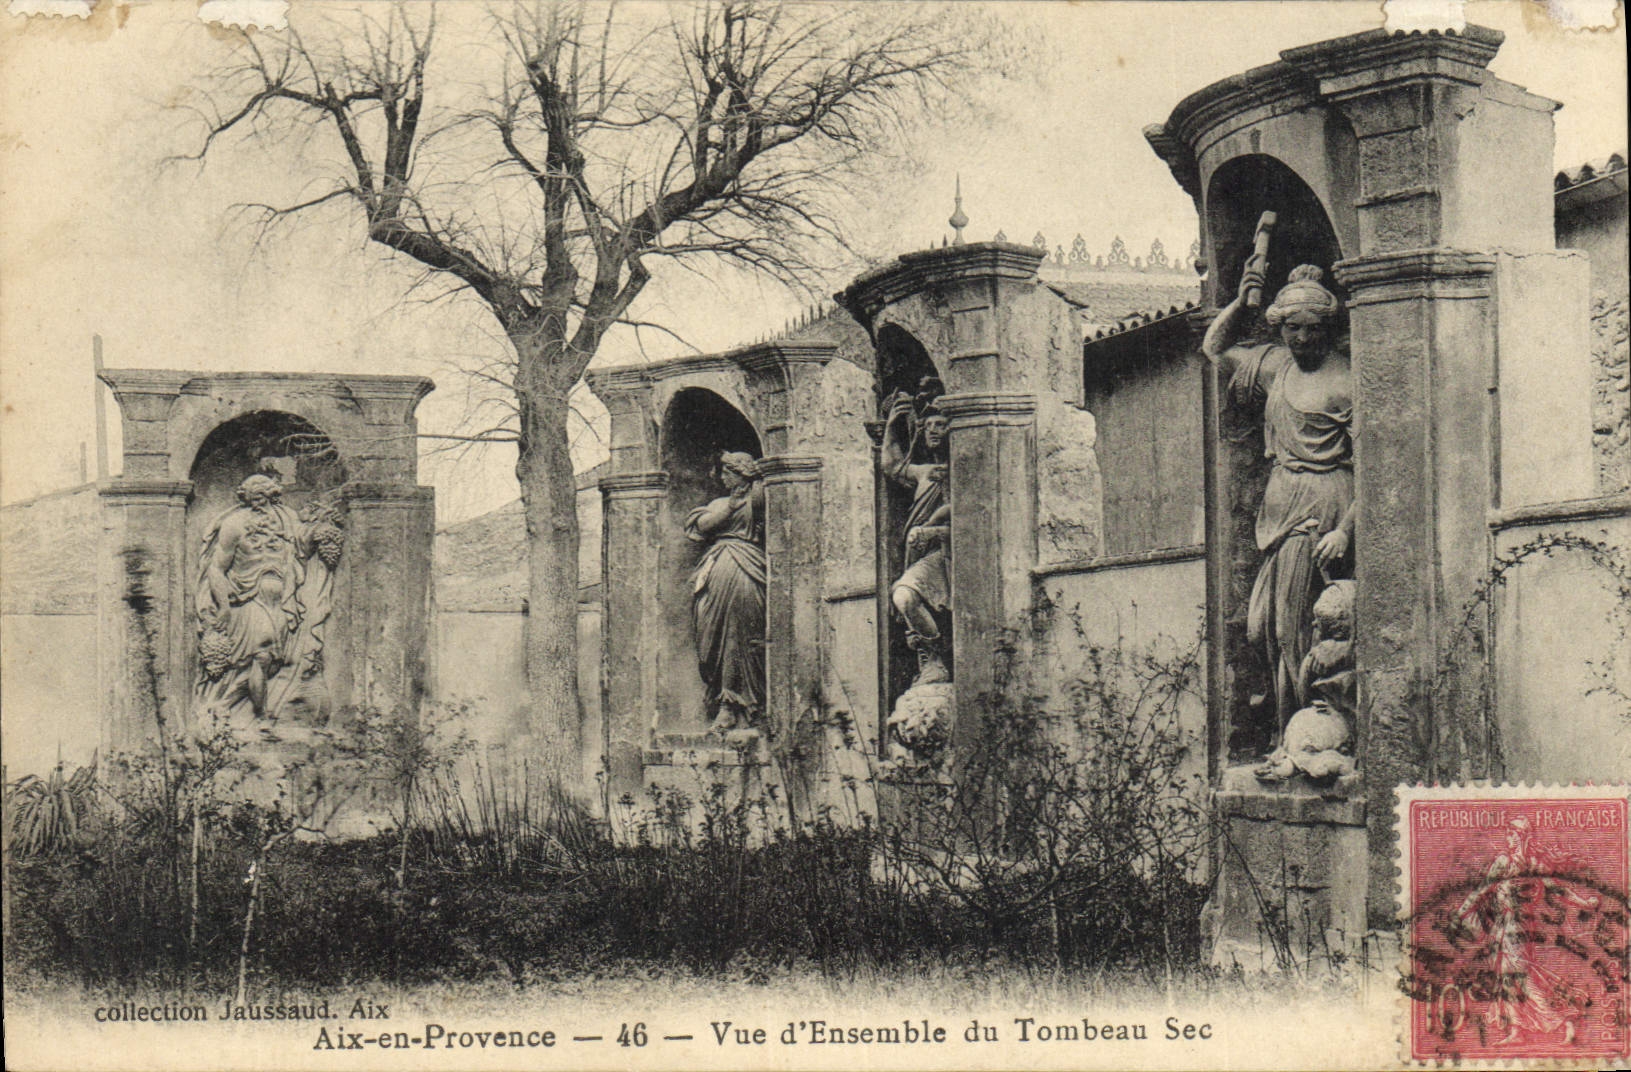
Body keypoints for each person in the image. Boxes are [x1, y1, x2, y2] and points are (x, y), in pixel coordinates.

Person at [1203, 260, 1356, 745]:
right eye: (1292, 328)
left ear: (1327, 327)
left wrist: (1345, 531)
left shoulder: (1346, 380)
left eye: (1312, 329)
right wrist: (1241, 299)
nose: (1302, 340)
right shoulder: (1274, 366)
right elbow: (1215, 349)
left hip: (1325, 503)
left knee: (1297, 628)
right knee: (1260, 627)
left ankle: (1303, 733)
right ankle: (1291, 725)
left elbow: (1372, 464)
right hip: (1280, 502)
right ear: (1279, 326)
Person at [196, 472, 341, 718]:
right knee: (261, 658)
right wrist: (223, 607)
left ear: (273, 495)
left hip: (283, 602)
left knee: (271, 662)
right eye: (253, 497)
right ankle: (262, 718)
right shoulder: (235, 524)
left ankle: (222, 706)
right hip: (249, 600)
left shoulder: (287, 519)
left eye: (263, 496)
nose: (258, 501)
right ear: (245, 498)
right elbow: (217, 569)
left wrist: (321, 524)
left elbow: (303, 550)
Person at [686, 451, 767, 735]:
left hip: (747, 568)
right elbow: (701, 525)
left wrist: (755, 486)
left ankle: (734, 704)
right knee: (712, 635)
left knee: (740, 634)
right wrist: (730, 507)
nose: (723, 478)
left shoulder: (759, 499)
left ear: (741, 474)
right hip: (718, 570)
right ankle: (722, 697)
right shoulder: (721, 503)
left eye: (728, 473)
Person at [883, 387, 951, 687]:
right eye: (928, 426)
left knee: (904, 596)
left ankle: (936, 659)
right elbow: (892, 466)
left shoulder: (961, 469)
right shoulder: (926, 471)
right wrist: (890, 427)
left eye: (941, 424)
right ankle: (931, 657)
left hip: (951, 555)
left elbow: (970, 519)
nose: (934, 431)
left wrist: (932, 530)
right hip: (923, 553)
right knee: (903, 596)